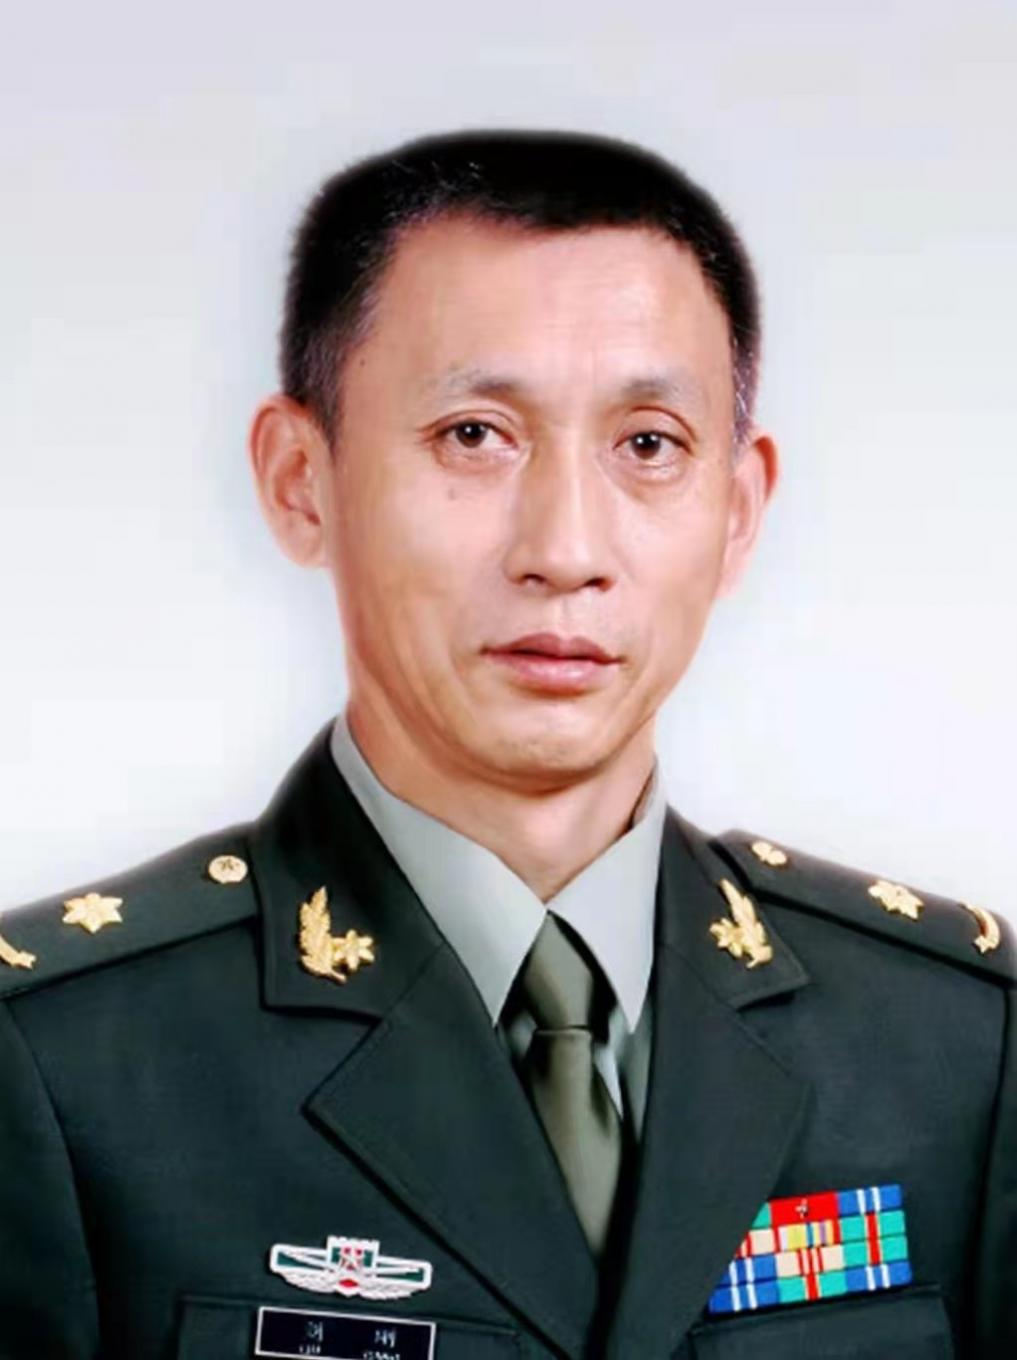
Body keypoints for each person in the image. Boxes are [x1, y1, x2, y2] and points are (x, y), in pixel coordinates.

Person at [0, 128, 1012, 1360]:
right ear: (301, 479)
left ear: (740, 509)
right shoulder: (60, 1062)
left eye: (649, 444)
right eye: (474, 435)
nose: (566, 549)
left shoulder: (955, 1044)